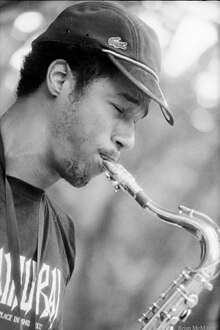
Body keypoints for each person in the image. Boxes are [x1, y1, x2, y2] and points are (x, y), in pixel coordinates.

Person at [0, 1, 174, 329]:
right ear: (61, 78)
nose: (129, 140)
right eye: (120, 109)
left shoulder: (62, 232)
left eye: (136, 122)